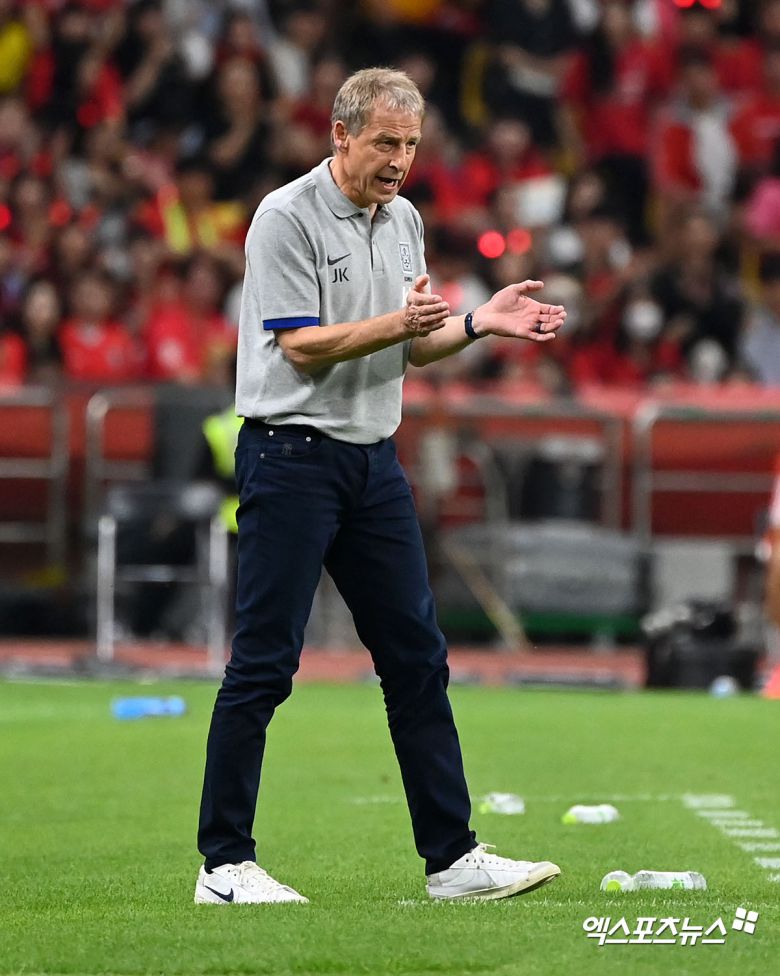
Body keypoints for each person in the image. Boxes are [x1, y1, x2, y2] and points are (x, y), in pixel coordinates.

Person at [195, 67, 566, 906]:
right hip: (291, 455)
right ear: (340, 135)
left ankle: (453, 859)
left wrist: (475, 323)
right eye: (386, 142)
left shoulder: (404, 220)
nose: (400, 160)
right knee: (265, 663)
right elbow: (300, 346)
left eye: (411, 144)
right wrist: (400, 323)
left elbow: (413, 345)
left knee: (417, 658)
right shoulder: (284, 216)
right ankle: (222, 865)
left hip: (372, 461)